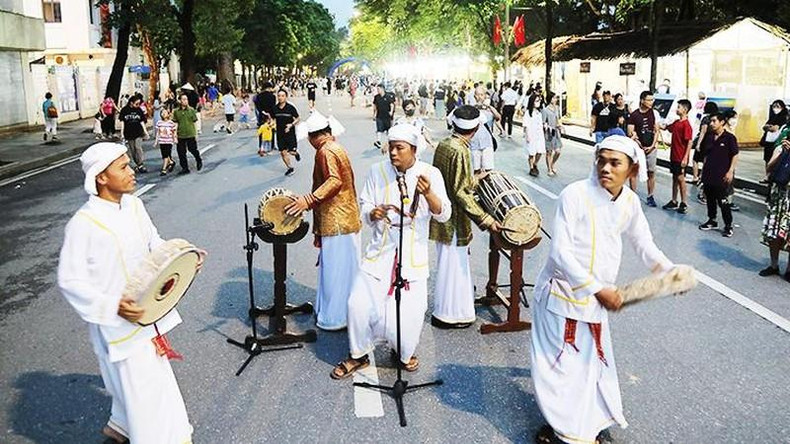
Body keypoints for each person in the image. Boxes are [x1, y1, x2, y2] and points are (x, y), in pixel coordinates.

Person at [531, 135, 674, 444]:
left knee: (589, 366)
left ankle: (581, 423)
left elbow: (643, 243)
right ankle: (566, 431)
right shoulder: (575, 194)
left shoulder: (630, 202)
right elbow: (560, 253)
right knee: (561, 369)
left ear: (632, 170)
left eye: (615, 163)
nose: (605, 168)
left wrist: (668, 271)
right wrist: (597, 289)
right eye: (601, 160)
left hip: (596, 300)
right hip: (562, 298)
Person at [58, 142, 201, 444]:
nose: (132, 170)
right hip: (115, 324)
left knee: (143, 385)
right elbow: (70, 280)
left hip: (147, 313)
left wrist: (183, 257)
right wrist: (112, 306)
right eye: (122, 167)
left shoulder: (134, 205)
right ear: (101, 177)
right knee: (146, 394)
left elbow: (154, 244)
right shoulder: (83, 224)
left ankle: (121, 425)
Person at [330, 124, 451, 379]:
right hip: (380, 250)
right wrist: (372, 213)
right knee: (358, 303)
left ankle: (403, 352)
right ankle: (358, 355)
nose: (393, 153)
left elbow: (444, 214)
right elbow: (366, 203)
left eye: (399, 148)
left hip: (412, 253)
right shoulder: (377, 171)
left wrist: (428, 193)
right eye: (390, 147)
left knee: (410, 312)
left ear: (414, 150)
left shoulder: (430, 173)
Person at [285, 111, 361, 330]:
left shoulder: (325, 151)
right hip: (345, 219)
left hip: (337, 222)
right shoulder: (334, 147)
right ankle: (346, 313)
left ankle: (336, 318)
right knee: (344, 271)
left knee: (335, 272)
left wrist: (307, 200)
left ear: (312, 137)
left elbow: (334, 181)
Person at [430, 106, 501, 329]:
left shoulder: (445, 144)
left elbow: (453, 180)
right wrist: (486, 220)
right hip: (454, 219)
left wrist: (477, 178)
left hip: (442, 213)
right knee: (455, 266)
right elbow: (460, 192)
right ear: (477, 127)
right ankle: (450, 315)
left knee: (448, 265)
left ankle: (447, 310)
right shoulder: (461, 150)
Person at [698, 113, 738, 238]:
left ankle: (728, 225)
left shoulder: (729, 138)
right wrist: (702, 172)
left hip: (722, 175)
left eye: (714, 121)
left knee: (723, 201)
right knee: (710, 198)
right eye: (711, 121)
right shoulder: (709, 137)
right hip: (709, 173)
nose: (711, 123)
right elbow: (706, 156)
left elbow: (735, 155)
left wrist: (730, 171)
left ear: (722, 122)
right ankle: (712, 220)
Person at [759, 125, 790, 282]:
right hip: (778, 195)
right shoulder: (781, 147)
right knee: (774, 231)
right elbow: (769, 168)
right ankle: (774, 264)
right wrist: (782, 153)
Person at [627, 90, 660, 207]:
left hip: (651, 147)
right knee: (634, 171)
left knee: (651, 172)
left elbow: (657, 131)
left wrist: (652, 146)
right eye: (649, 100)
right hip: (638, 148)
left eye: (652, 100)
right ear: (642, 100)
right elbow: (630, 131)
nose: (651, 102)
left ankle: (650, 195)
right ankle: (632, 195)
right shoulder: (634, 115)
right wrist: (637, 142)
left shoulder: (654, 113)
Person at [661, 99, 693, 214]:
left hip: (680, 157)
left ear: (685, 110)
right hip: (674, 156)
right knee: (675, 178)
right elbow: (666, 127)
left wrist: (685, 157)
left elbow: (689, 142)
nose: (677, 109)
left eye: (679, 107)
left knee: (680, 178)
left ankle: (684, 202)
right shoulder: (676, 123)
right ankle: (674, 200)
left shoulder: (686, 125)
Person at [171, 93, 203, 175]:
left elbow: (195, 122)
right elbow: (176, 123)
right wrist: (174, 134)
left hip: (190, 133)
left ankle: (198, 159)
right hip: (181, 134)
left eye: (186, 99)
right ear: (180, 101)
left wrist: (196, 133)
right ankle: (184, 168)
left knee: (192, 149)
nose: (185, 101)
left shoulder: (191, 110)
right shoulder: (176, 112)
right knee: (181, 152)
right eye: (183, 99)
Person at [691, 101, 719, 191]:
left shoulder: (706, 118)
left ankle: (695, 177)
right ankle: (702, 177)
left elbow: (703, 132)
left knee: (695, 159)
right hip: (713, 140)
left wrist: (698, 144)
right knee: (706, 160)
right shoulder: (717, 119)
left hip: (705, 141)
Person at [118, 95, 149, 173]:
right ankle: (138, 164)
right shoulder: (124, 110)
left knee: (138, 147)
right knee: (133, 150)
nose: (138, 105)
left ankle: (141, 163)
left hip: (138, 132)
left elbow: (142, 122)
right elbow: (122, 123)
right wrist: (122, 134)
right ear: (131, 103)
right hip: (128, 133)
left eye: (139, 103)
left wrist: (145, 132)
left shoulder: (139, 110)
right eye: (136, 103)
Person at [273, 89, 301, 176]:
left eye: (282, 96)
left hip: (290, 134)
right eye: (279, 96)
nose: (280, 98)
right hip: (280, 134)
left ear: (286, 97)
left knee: (291, 152)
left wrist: (291, 125)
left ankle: (296, 153)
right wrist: (272, 124)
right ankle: (290, 167)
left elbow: (298, 118)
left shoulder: (290, 108)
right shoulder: (275, 108)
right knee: (283, 152)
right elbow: (273, 119)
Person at [760, 100, 788, 183]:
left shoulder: (783, 117)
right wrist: (769, 127)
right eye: (774, 106)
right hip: (768, 141)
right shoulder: (772, 117)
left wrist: (769, 127)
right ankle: (767, 176)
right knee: (767, 158)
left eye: (778, 107)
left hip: (776, 141)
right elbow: (765, 127)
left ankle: (772, 176)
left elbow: (774, 128)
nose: (775, 109)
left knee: (774, 159)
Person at [524, 94, 546, 177]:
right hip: (531, 134)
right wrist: (527, 135)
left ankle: (535, 163)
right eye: (537, 101)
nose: (538, 102)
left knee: (540, 151)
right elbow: (525, 125)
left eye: (539, 101)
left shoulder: (539, 113)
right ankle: (532, 168)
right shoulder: (528, 113)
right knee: (531, 152)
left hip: (539, 135)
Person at [543, 92, 563, 176]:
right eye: (554, 98)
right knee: (549, 152)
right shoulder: (545, 110)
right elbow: (543, 122)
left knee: (558, 151)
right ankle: (549, 169)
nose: (556, 100)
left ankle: (552, 163)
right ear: (550, 99)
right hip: (549, 133)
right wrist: (546, 126)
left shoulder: (557, 108)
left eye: (556, 98)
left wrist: (560, 126)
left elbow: (558, 119)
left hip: (556, 132)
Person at [155, 109, 177, 176]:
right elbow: (158, 133)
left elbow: (173, 132)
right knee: (164, 154)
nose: (163, 114)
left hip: (169, 141)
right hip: (162, 141)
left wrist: (175, 139)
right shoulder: (159, 123)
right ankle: (171, 162)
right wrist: (156, 141)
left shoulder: (171, 123)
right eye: (162, 113)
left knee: (166, 154)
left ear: (168, 114)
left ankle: (164, 169)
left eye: (165, 113)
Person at [373, 84, 394, 152]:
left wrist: (391, 111)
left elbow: (392, 104)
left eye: (378, 89)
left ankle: (389, 142)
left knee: (388, 130)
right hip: (379, 116)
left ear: (383, 89)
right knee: (379, 129)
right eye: (377, 89)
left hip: (387, 116)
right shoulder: (376, 97)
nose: (378, 90)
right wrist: (374, 114)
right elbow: (375, 106)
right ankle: (378, 141)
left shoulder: (388, 96)